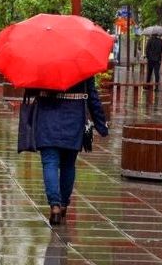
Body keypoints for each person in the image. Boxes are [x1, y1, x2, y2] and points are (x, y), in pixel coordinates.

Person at [30, 77, 108, 225]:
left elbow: (31, 88)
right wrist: (101, 125)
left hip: (47, 119)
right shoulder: (82, 62)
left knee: (50, 163)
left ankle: (55, 206)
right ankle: (64, 204)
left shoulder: (42, 62)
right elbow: (92, 96)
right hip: (73, 118)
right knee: (68, 164)